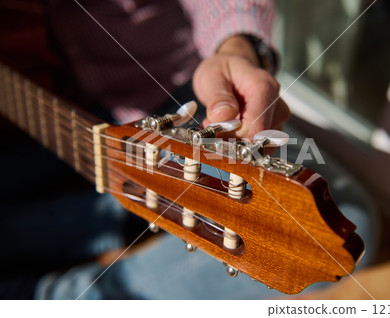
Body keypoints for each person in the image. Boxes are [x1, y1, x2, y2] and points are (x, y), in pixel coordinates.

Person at [1, 0, 296, 299]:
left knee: (287, 223)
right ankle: (117, 222)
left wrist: (237, 50)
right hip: (57, 110)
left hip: (168, 97)